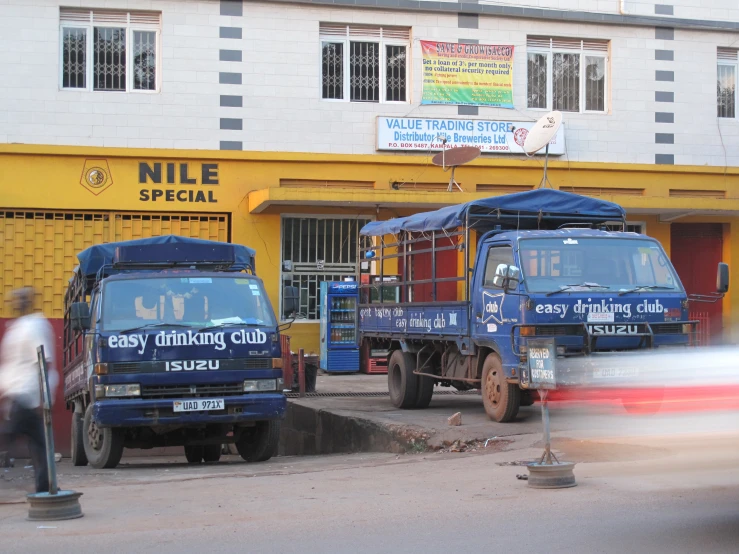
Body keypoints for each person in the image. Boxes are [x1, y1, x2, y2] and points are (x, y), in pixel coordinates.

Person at [0, 287, 58, 493]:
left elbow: (9, 366)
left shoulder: (14, 329)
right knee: (38, 444)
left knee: (37, 444)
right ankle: (44, 489)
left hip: (17, 396)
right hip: (27, 396)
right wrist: (45, 397)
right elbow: (44, 361)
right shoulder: (35, 326)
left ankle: (43, 489)